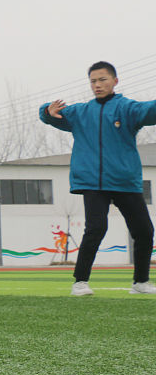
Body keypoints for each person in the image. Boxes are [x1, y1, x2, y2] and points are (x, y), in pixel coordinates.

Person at [39, 61, 156, 296]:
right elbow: (49, 112)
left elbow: (149, 110)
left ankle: (140, 283)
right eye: (93, 81)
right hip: (92, 182)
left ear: (115, 81)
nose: (97, 85)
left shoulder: (127, 109)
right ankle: (80, 282)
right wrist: (47, 112)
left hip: (125, 181)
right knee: (96, 228)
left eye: (102, 79)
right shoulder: (81, 112)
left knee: (144, 230)